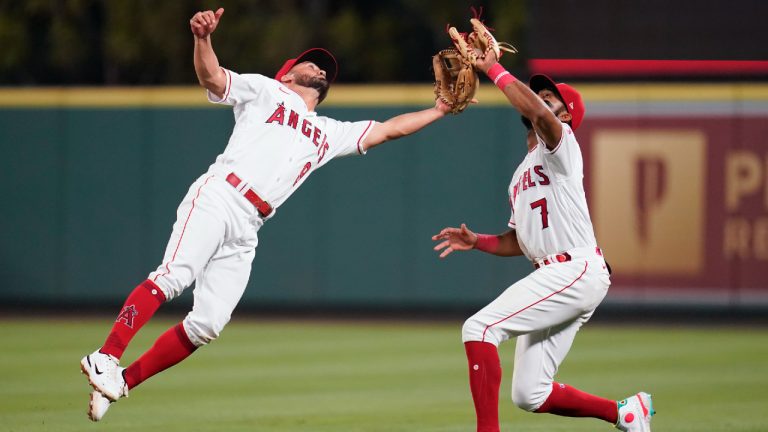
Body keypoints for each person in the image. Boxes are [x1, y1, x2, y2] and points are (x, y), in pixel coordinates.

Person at [79, 7, 454, 422]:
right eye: (310, 62)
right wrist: (203, 39)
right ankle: (106, 355)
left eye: (324, 67)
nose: (319, 67)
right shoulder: (265, 91)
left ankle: (122, 382)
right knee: (172, 276)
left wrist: (437, 110)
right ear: (287, 74)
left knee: (206, 325)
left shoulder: (328, 133)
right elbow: (212, 77)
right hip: (220, 195)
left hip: (248, 226)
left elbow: (389, 128)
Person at [431, 49, 655, 431]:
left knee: (479, 328)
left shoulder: (562, 144)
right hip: (561, 273)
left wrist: (492, 68)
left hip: (575, 268)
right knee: (529, 394)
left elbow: (539, 114)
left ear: (564, 116)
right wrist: (479, 240)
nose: (542, 99)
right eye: (541, 95)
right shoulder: (520, 175)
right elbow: (520, 241)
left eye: (551, 98)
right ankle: (625, 413)